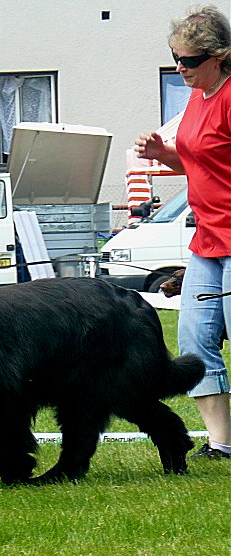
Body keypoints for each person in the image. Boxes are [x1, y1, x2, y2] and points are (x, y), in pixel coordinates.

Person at [134, 4, 231, 460]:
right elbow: (199, 164)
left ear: (219, 56)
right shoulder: (197, 97)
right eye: (175, 57)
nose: (180, 68)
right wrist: (165, 153)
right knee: (194, 342)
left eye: (189, 61)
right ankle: (222, 444)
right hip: (207, 242)